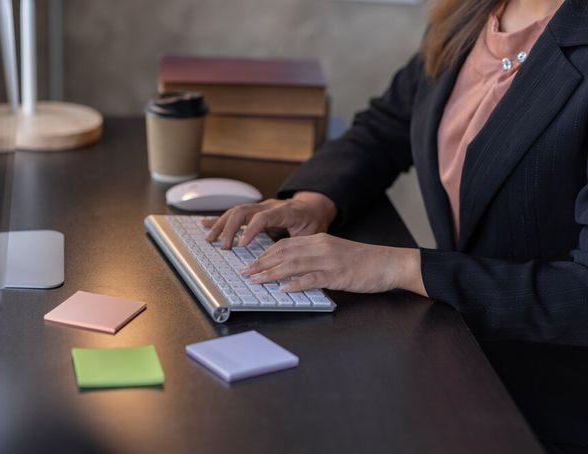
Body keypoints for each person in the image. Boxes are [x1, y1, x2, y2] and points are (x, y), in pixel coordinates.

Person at [204, 0, 588, 451]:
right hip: (462, 356)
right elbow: (388, 125)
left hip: (552, 393)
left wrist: (397, 267)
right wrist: (315, 199)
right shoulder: (472, 13)